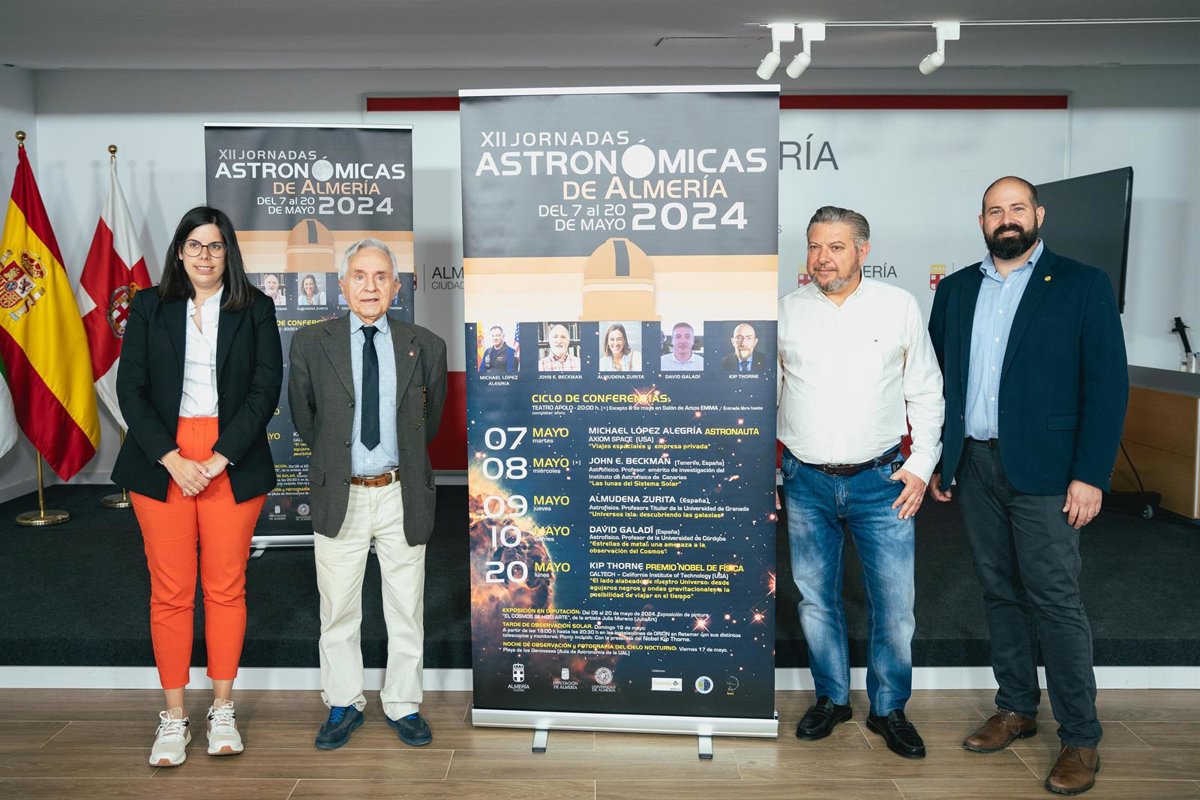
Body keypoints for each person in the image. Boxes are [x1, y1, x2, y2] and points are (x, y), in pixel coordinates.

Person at [927, 176, 1128, 796]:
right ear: (981, 221)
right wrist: (939, 459)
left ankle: (1081, 737)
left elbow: (1107, 386)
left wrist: (1090, 475)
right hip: (975, 465)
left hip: (1049, 473)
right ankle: (1015, 707)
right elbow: (937, 383)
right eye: (995, 210)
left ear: (1038, 215)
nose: (1006, 218)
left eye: (1017, 208)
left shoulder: (1083, 283)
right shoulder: (956, 289)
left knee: (1056, 601)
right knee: (1000, 592)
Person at [112, 206, 283, 767]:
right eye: (195, 245)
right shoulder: (148, 305)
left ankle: (222, 709)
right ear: (179, 251)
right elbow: (130, 389)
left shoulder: (255, 308)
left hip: (231, 456)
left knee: (226, 586)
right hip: (160, 457)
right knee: (170, 589)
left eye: (215, 245)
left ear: (228, 252)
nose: (205, 256)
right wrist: (170, 456)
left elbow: (265, 389)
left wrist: (220, 457)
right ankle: (174, 717)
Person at [778, 205, 943, 759]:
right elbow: (769, 397)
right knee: (815, 601)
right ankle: (831, 699)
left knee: (894, 606)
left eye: (836, 247)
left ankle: (889, 708)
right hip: (805, 482)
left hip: (883, 482)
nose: (822, 258)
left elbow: (926, 391)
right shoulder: (785, 313)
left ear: (863, 251)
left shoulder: (899, 307)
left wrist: (921, 465)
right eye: (814, 246)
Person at [288, 238, 448, 751]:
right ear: (343, 285)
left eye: (381, 277)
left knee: (406, 608)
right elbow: (306, 418)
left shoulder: (426, 344)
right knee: (338, 609)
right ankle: (343, 702)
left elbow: (429, 423)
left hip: (402, 491)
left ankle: (403, 704)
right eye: (360, 276)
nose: (371, 286)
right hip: (343, 493)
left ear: (397, 287)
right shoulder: (311, 343)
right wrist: (343, 464)